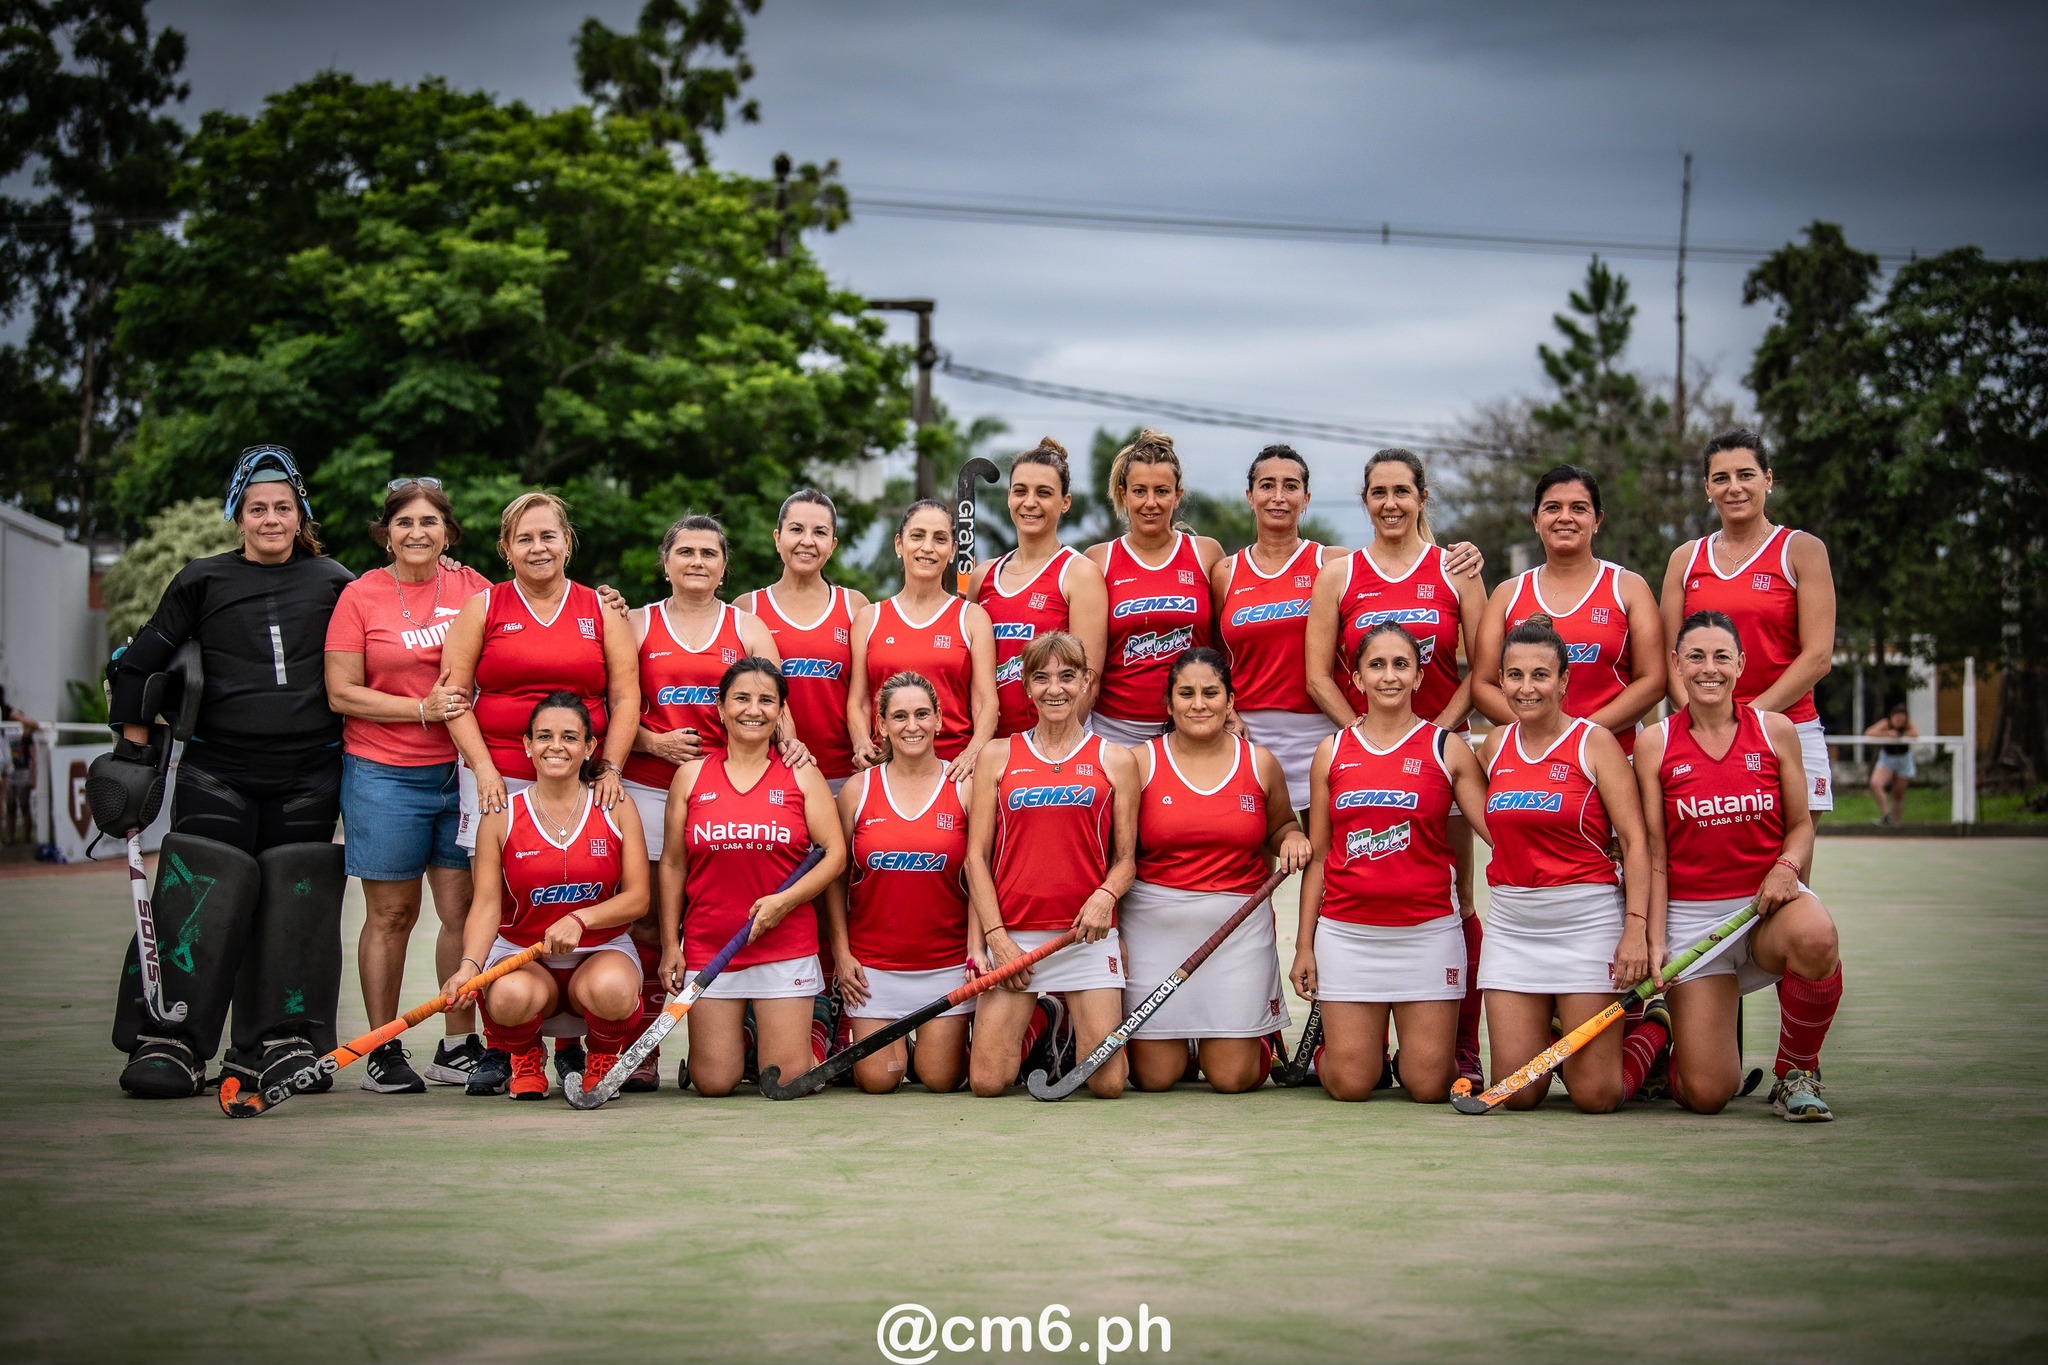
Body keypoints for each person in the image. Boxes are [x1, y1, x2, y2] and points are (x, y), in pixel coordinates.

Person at [100, 445, 355, 1098]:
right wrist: (133, 754)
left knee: (294, 899)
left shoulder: (335, 581)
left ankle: (280, 1039)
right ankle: (170, 1039)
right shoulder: (200, 580)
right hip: (218, 770)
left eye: (282, 508)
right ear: (237, 516)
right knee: (197, 895)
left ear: (301, 516)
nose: (271, 519)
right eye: (257, 508)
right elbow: (140, 664)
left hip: (308, 775)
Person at [1304, 447, 1490, 1088]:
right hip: (1367, 752)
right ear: (1364, 501)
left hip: (1440, 757)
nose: (1390, 503)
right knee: (1356, 870)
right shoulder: (1338, 574)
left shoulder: (1456, 569)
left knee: (1456, 894)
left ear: (1422, 498)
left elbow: (1481, 672)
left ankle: (1459, 1043)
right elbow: (1318, 674)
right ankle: (1347, 1025)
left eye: (1402, 492)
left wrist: (1430, 741)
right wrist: (1366, 736)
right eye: (1378, 492)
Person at [1635, 610, 1846, 1121]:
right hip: (1693, 922)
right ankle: (1657, 1035)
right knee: (1709, 1094)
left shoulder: (1775, 731)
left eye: (1722, 656)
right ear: (1676, 665)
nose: (1710, 669)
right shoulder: (1654, 743)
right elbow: (1656, 855)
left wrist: (1788, 866)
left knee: (1816, 937)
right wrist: (1656, 938)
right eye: (1696, 657)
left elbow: (1799, 824)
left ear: (1741, 664)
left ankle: (1795, 1072)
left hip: (1765, 909)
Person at [324, 478, 493, 1093]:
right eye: (404, 523)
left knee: (462, 911)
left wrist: (606, 602)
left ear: (448, 530)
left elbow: (529, 621)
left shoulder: (475, 587)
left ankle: (456, 1044)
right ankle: (382, 1049)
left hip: (463, 773)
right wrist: (420, 709)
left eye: (430, 522)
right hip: (384, 772)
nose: (417, 533)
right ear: (386, 532)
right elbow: (341, 692)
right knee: (392, 913)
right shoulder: (360, 595)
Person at [620, 513, 791, 1091]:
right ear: (665, 561)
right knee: (648, 920)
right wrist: (651, 740)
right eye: (685, 551)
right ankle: (640, 1047)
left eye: (709, 553)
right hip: (649, 785)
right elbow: (616, 709)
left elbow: (775, 706)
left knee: (736, 905)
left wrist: (794, 756)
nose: (697, 562)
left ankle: (741, 1027)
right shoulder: (638, 623)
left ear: (725, 566)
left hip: (728, 789)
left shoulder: (747, 627)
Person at [1291, 622, 1491, 1103]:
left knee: (1428, 1086)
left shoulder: (1447, 748)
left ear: (1419, 677)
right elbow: (1318, 857)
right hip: (1347, 934)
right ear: (1356, 679)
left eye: (1401, 664)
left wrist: (1591, 842)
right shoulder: (1332, 752)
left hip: (1427, 934)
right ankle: (1349, 1047)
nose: (1389, 676)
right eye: (1376, 665)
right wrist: (1304, 946)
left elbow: (1499, 831)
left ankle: (1431, 1049)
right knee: (1349, 1085)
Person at [1476, 620, 1652, 1113]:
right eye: (1514, 675)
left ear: (1564, 681)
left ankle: (1653, 1031)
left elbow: (1635, 842)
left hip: (1586, 922)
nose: (1526, 688)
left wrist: (1634, 929)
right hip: (1513, 926)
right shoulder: (1494, 746)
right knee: (1518, 1093)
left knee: (1595, 1097)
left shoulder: (1594, 743)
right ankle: (1556, 1029)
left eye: (1540, 675)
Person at [443, 694, 650, 1101]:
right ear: (527, 745)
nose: (556, 746)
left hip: (600, 952)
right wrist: (469, 966)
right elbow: (486, 904)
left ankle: (602, 1060)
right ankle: (524, 1056)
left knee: (613, 988)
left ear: (590, 747)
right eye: (544, 736)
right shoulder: (501, 813)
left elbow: (638, 898)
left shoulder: (616, 807)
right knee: (506, 995)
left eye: (570, 737)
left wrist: (581, 920)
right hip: (525, 955)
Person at [1123, 648, 1311, 1094]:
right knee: (1155, 1077)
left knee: (1232, 1078)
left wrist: (1292, 838)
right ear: (1168, 704)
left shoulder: (1259, 762)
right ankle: (1186, 1043)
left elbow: (1282, 824)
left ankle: (1249, 1035)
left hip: (1236, 929)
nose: (1198, 703)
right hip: (1155, 926)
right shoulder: (1139, 762)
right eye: (1185, 693)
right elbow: (1116, 854)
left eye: (1211, 692)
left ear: (1230, 701)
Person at [657, 657, 847, 1096]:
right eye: (741, 698)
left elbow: (835, 855)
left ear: (781, 712)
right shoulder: (690, 777)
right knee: (714, 1084)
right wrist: (672, 944)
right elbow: (671, 863)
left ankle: (815, 1024)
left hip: (785, 947)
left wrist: (784, 901)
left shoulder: (801, 773)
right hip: (713, 946)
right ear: (720, 708)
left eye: (767, 700)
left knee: (786, 1081)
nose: (753, 709)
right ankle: (742, 1038)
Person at [965, 631, 1140, 1098]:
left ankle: (1063, 1022)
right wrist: (996, 937)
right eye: (1041, 678)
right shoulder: (998, 755)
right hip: (1016, 937)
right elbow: (975, 858)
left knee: (1107, 1083)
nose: (1055, 688)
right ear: (1026, 687)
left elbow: (1126, 862)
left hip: (1086, 937)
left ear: (1087, 682)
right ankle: (1043, 1021)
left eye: (1067, 676)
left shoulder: (1116, 759)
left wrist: (1105, 896)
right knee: (986, 1082)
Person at [441, 491, 640, 853]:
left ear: (566, 540)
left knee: (578, 887)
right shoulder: (481, 608)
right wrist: (483, 769)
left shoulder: (602, 609)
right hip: (499, 776)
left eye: (548, 536)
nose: (538, 548)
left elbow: (625, 698)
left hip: (580, 776)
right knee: (492, 897)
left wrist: (610, 767)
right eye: (524, 539)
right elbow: (454, 699)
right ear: (506, 548)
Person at [1661, 429, 1836, 839]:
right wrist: (1703, 721)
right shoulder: (1685, 559)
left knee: (1787, 880)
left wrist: (1746, 722)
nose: (1734, 487)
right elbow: (1669, 657)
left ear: (1768, 480)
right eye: (1721, 478)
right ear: (1707, 488)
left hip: (1788, 731)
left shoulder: (1802, 550)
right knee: (1706, 868)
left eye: (1746, 475)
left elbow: (1817, 658)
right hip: (1700, 738)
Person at [827, 672, 974, 1093]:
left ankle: (933, 1045)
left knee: (941, 1079)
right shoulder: (857, 790)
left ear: (940, 720)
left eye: (922, 714)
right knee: (878, 1081)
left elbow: (982, 872)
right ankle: (878, 1040)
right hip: (875, 966)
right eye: (900, 716)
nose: (912, 725)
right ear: (882, 725)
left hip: (945, 964)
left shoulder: (963, 786)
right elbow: (836, 879)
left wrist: (975, 950)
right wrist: (842, 953)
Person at [1472, 465, 1666, 756]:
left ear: (1597, 519)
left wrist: (1580, 736)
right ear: (1536, 520)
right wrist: (1542, 730)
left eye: (1579, 508)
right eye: (1552, 508)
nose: (1565, 517)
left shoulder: (1628, 587)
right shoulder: (1507, 595)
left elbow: (1652, 680)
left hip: (1616, 757)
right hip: (1532, 757)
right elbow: (1484, 684)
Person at [1211, 445, 1342, 813]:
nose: (1279, 497)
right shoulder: (1225, 573)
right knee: (1253, 857)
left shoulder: (1332, 562)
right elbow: (1215, 656)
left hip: (1321, 731)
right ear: (1250, 497)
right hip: (1250, 734)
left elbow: (1396, 566)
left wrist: (1457, 557)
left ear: (1306, 498)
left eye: (1291, 486)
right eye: (1267, 486)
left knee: (1323, 856)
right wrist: (1229, 715)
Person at [1084, 429, 1222, 748]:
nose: (1150, 503)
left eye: (1161, 491)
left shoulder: (1206, 554)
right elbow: (1086, 665)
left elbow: (1222, 647)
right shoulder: (1098, 560)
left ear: (1178, 495)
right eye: (1139, 491)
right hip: (1115, 732)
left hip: (1191, 727)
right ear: (1123, 494)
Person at [848, 499, 998, 782]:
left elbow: (985, 702)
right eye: (917, 536)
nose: (928, 547)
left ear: (952, 551)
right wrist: (861, 743)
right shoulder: (869, 619)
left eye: (940, 539)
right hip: (886, 769)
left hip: (954, 773)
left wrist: (973, 752)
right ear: (898, 544)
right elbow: (859, 701)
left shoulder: (972, 618)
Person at [971, 437, 1109, 736]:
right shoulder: (983, 576)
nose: (1029, 502)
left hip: (1050, 749)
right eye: (1020, 491)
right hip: (989, 747)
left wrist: (1045, 749)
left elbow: (1089, 681)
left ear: (1065, 502)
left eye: (1044, 493)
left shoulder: (1079, 573)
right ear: (1009, 497)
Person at [737, 489, 870, 796]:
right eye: (796, 529)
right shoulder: (747, 608)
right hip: (770, 773)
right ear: (777, 538)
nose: (807, 541)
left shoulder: (855, 606)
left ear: (833, 545)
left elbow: (868, 692)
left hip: (844, 775)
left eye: (820, 532)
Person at [1865, 701, 1919, 826]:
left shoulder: (1907, 725)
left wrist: (1902, 735)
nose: (1899, 721)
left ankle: (1896, 823)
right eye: (1897, 718)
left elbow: (1915, 733)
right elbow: (1869, 732)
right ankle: (1886, 814)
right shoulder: (1886, 723)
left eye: (1902, 718)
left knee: (1898, 793)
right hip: (1888, 758)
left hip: (1904, 759)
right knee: (1876, 783)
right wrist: (1887, 734)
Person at [1, 687, 38, 845]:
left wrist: (33, 776)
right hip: (10, 769)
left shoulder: (22, 733)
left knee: (23, 805)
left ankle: (26, 837)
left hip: (21, 771)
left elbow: (33, 755)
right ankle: (9, 837)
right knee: (9, 805)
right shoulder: (5, 731)